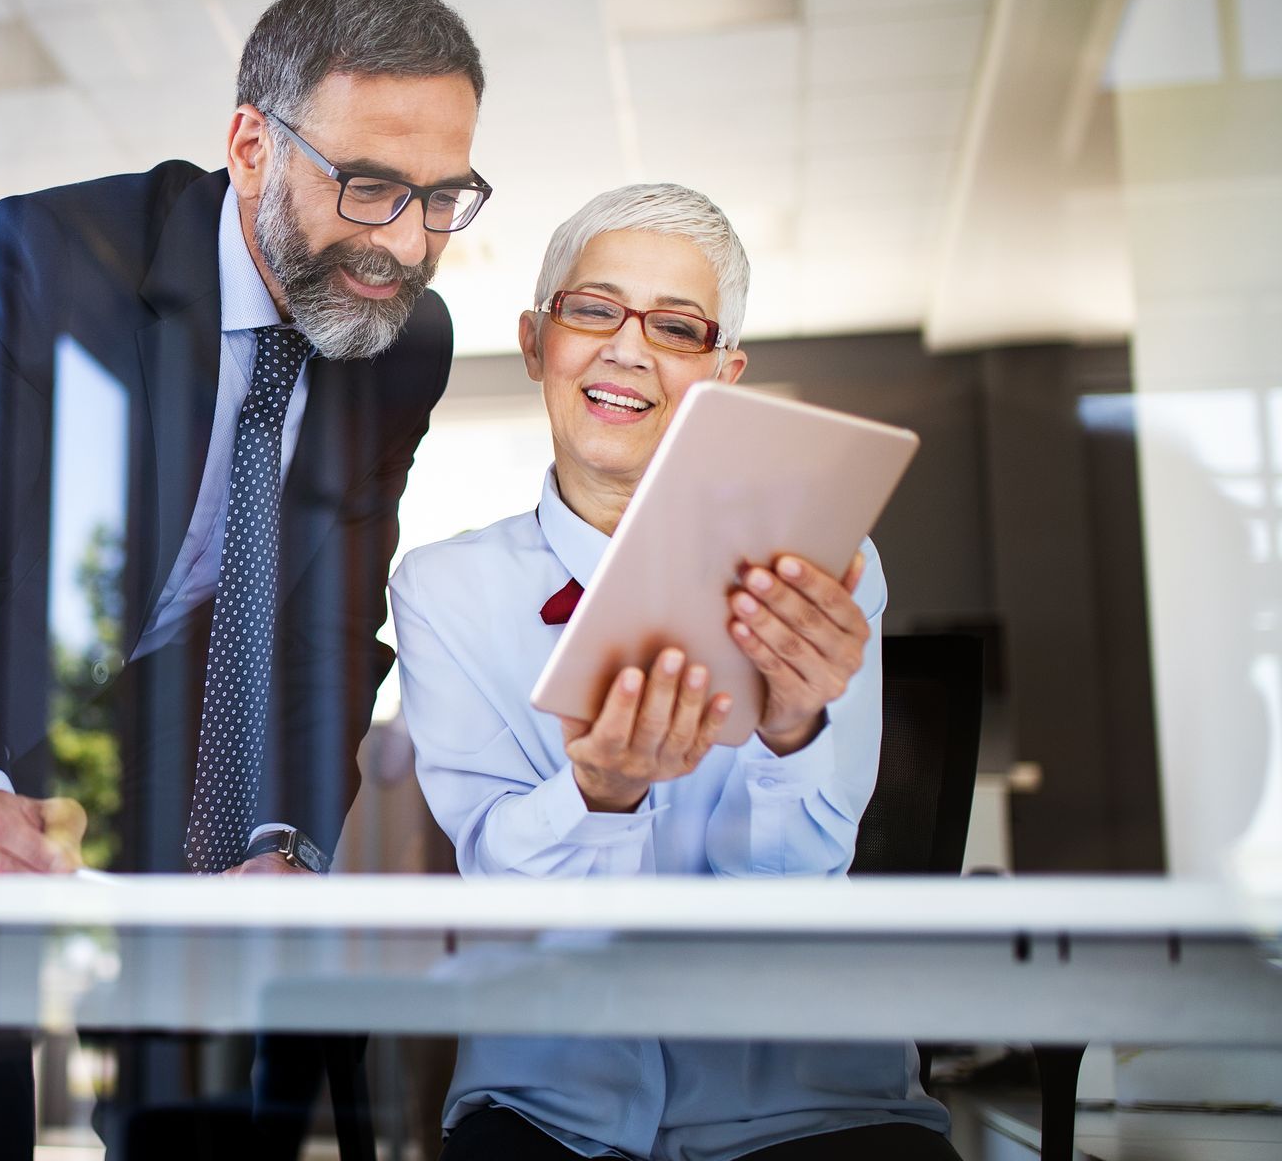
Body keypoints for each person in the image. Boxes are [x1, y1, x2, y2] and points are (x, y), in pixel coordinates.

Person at [0, 0, 489, 1157]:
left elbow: (324, 622)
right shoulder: (53, 254)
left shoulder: (403, 342)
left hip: (163, 723)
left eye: (443, 197)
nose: (405, 243)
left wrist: (284, 844)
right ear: (250, 143)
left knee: (215, 1104)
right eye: (370, 187)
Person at [390, 184, 959, 1161]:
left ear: (722, 374)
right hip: (545, 1106)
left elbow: (795, 886)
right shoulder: (442, 587)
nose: (626, 348)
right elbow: (502, 883)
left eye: (677, 327)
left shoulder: (822, 565)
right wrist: (598, 794)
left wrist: (792, 731)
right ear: (536, 341)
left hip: (811, 1101)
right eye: (594, 308)